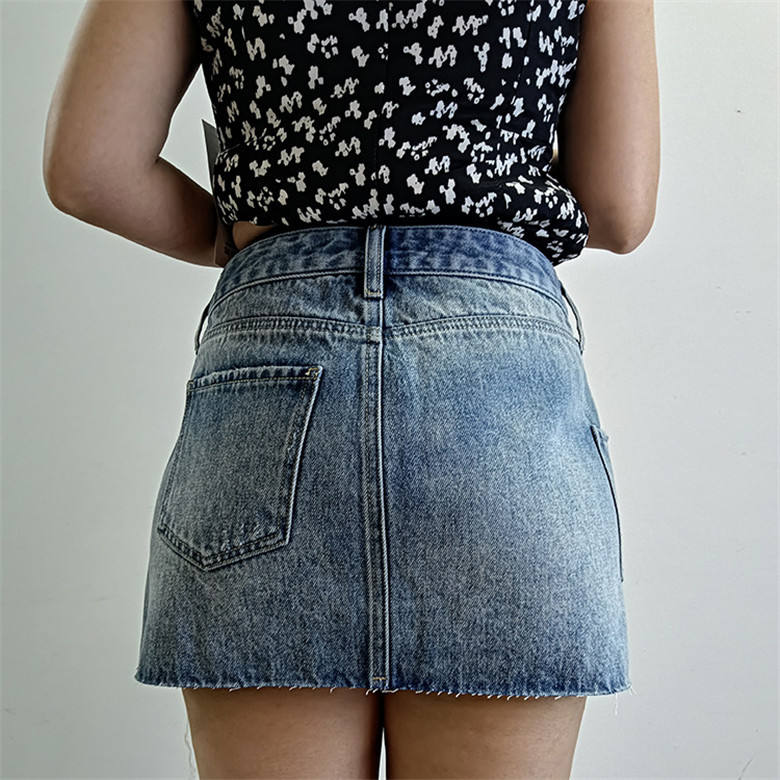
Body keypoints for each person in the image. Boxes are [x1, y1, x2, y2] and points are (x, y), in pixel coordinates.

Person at [43, 0, 659, 776]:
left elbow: (91, 169)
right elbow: (617, 209)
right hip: (499, 376)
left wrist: (257, 244)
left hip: (271, 360)